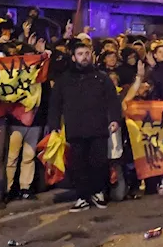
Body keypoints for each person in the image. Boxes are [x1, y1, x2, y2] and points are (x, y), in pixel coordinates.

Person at [47, 41, 123, 211]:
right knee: (78, 164)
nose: (84, 57)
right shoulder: (64, 80)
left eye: (87, 53)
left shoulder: (102, 77)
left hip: (98, 128)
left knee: (99, 162)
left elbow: (112, 101)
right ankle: (82, 196)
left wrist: (114, 120)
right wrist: (54, 124)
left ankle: (98, 193)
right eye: (80, 54)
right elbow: (55, 104)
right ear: (74, 57)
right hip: (76, 129)